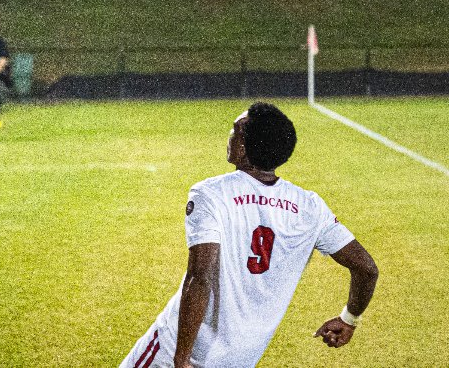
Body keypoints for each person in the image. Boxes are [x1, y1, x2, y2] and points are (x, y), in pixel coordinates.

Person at [121, 103, 380, 367]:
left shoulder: (211, 194)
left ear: (243, 148)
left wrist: (181, 358)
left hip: (176, 351)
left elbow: (200, 277)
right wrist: (349, 319)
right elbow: (367, 269)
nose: (230, 137)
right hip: (240, 359)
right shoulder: (310, 207)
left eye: (234, 131)